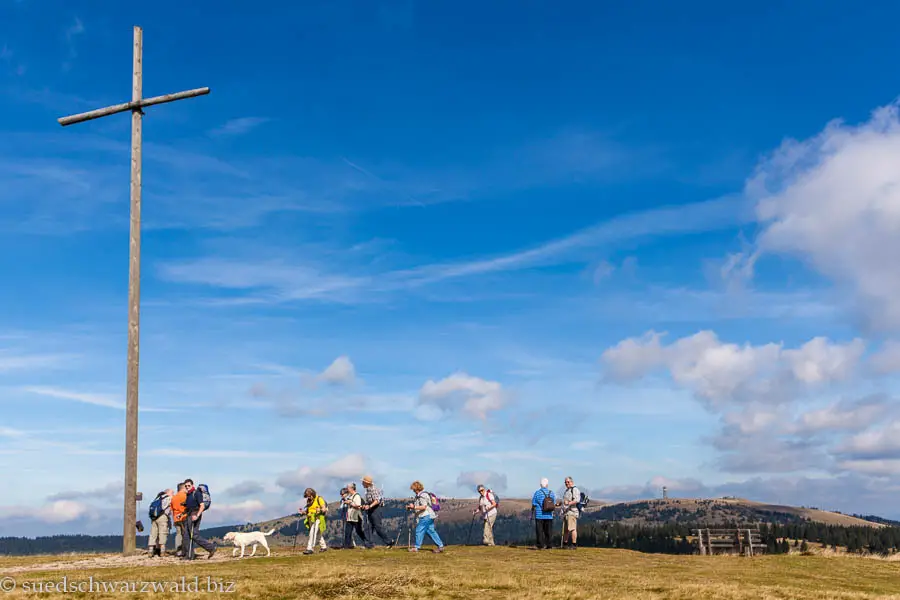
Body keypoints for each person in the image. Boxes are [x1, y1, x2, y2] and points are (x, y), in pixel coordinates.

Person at [182, 479, 217, 560]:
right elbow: (189, 507)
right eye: (186, 486)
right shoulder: (188, 494)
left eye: (189, 485)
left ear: (192, 485)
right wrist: (182, 513)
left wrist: (197, 515)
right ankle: (189, 556)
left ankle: (211, 547)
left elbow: (202, 506)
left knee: (193, 535)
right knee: (186, 536)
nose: (187, 487)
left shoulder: (196, 493)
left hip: (195, 514)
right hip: (189, 514)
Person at [406, 481, 444, 553]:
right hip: (430, 515)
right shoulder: (423, 495)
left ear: (416, 489)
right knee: (431, 531)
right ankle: (440, 546)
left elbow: (424, 507)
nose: (413, 491)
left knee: (419, 530)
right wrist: (412, 507)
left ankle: (416, 548)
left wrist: (413, 507)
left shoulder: (422, 496)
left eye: (413, 489)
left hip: (425, 515)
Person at [361, 475, 394, 548]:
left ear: (367, 483)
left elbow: (377, 501)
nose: (362, 483)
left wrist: (369, 506)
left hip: (376, 509)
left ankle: (389, 541)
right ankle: (369, 544)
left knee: (377, 527)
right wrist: (365, 505)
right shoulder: (368, 490)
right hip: (370, 509)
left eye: (363, 482)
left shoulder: (373, 489)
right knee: (368, 527)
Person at [298, 487, 328, 555]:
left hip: (318, 518)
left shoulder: (319, 499)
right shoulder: (309, 501)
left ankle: (310, 548)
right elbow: (308, 511)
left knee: (312, 532)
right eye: (307, 496)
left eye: (309, 496)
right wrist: (303, 512)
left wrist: (319, 510)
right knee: (318, 533)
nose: (308, 497)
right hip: (311, 519)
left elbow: (324, 509)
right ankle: (323, 547)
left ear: (313, 494)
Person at [148, 488, 173, 557]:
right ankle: (162, 552)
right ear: (168, 493)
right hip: (162, 517)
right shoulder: (169, 498)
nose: (173, 494)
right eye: (172, 492)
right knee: (162, 533)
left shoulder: (158, 498)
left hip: (154, 518)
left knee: (153, 534)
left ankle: (150, 551)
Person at [531, 478, 555, 550]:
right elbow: (553, 503)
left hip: (539, 514)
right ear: (547, 485)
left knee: (540, 531)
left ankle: (540, 545)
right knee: (548, 531)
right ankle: (549, 545)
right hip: (549, 515)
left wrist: (533, 509)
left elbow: (534, 503)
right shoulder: (551, 493)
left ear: (540, 484)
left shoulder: (537, 493)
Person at [343, 483, 368, 549]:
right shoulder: (351, 496)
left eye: (348, 488)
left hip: (356, 517)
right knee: (347, 531)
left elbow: (358, 506)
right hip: (350, 517)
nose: (347, 489)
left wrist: (350, 503)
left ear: (351, 488)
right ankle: (346, 546)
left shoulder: (357, 496)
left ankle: (367, 542)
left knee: (358, 531)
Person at [561, 476, 581, 550]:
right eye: (565, 482)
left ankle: (574, 544)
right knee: (566, 529)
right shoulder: (567, 491)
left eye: (568, 482)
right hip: (566, 512)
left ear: (572, 482)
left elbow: (577, 500)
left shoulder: (575, 490)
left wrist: (568, 503)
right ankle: (565, 544)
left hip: (572, 512)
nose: (566, 483)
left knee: (572, 529)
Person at [171, 483, 187, 557]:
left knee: (178, 534)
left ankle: (178, 551)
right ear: (183, 488)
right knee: (185, 534)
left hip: (176, 518)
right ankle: (185, 550)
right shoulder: (185, 496)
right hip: (184, 517)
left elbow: (172, 509)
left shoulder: (173, 497)